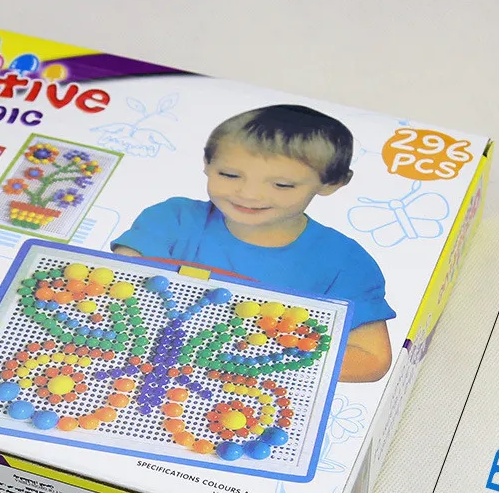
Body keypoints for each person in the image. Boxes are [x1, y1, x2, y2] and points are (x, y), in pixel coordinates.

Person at [111, 104, 394, 381]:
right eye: (229, 175)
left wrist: (260, 354)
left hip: (249, 397)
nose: (248, 194)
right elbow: (118, 289)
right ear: (207, 163)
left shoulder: (345, 262)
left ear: (331, 183)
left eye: (282, 185)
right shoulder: (173, 218)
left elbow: (372, 359)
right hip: (129, 374)